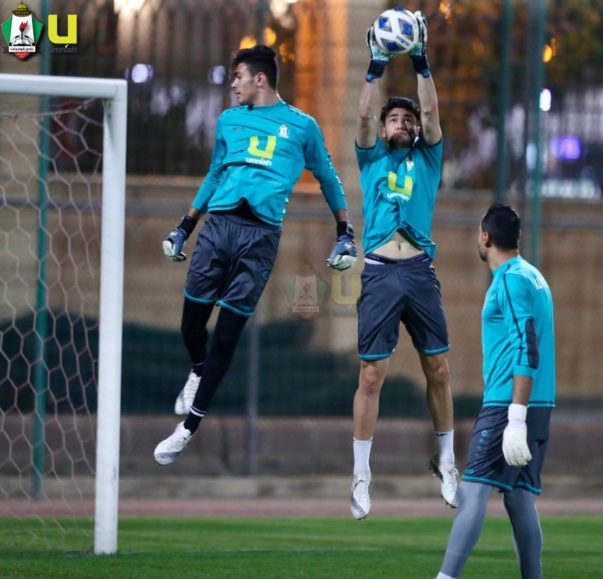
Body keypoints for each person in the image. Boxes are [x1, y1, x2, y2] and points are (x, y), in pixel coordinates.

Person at [154, 45, 357, 465]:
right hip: (218, 228)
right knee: (191, 323)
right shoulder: (228, 121)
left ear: (259, 79)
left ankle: (188, 428)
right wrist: (185, 226)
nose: (233, 84)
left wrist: (345, 232)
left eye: (238, 76)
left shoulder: (302, 126)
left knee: (227, 336)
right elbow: (214, 174)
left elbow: (328, 177)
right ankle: (197, 370)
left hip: (260, 238)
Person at [350, 11, 458, 520]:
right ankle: (361, 476)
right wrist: (375, 66)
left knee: (439, 368)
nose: (403, 123)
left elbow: (432, 112)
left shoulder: (427, 158)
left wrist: (419, 58)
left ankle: (448, 462)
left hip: (418, 272)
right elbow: (362, 118)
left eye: (407, 121)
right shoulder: (371, 157)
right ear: (383, 127)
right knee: (372, 376)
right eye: (395, 118)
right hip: (378, 271)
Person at [436, 203, 556, 579]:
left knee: (473, 491)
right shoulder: (534, 277)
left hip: (508, 405)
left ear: (485, 237)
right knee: (519, 498)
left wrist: (515, 418)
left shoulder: (509, 280)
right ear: (517, 236)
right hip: (539, 405)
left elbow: (526, 345)